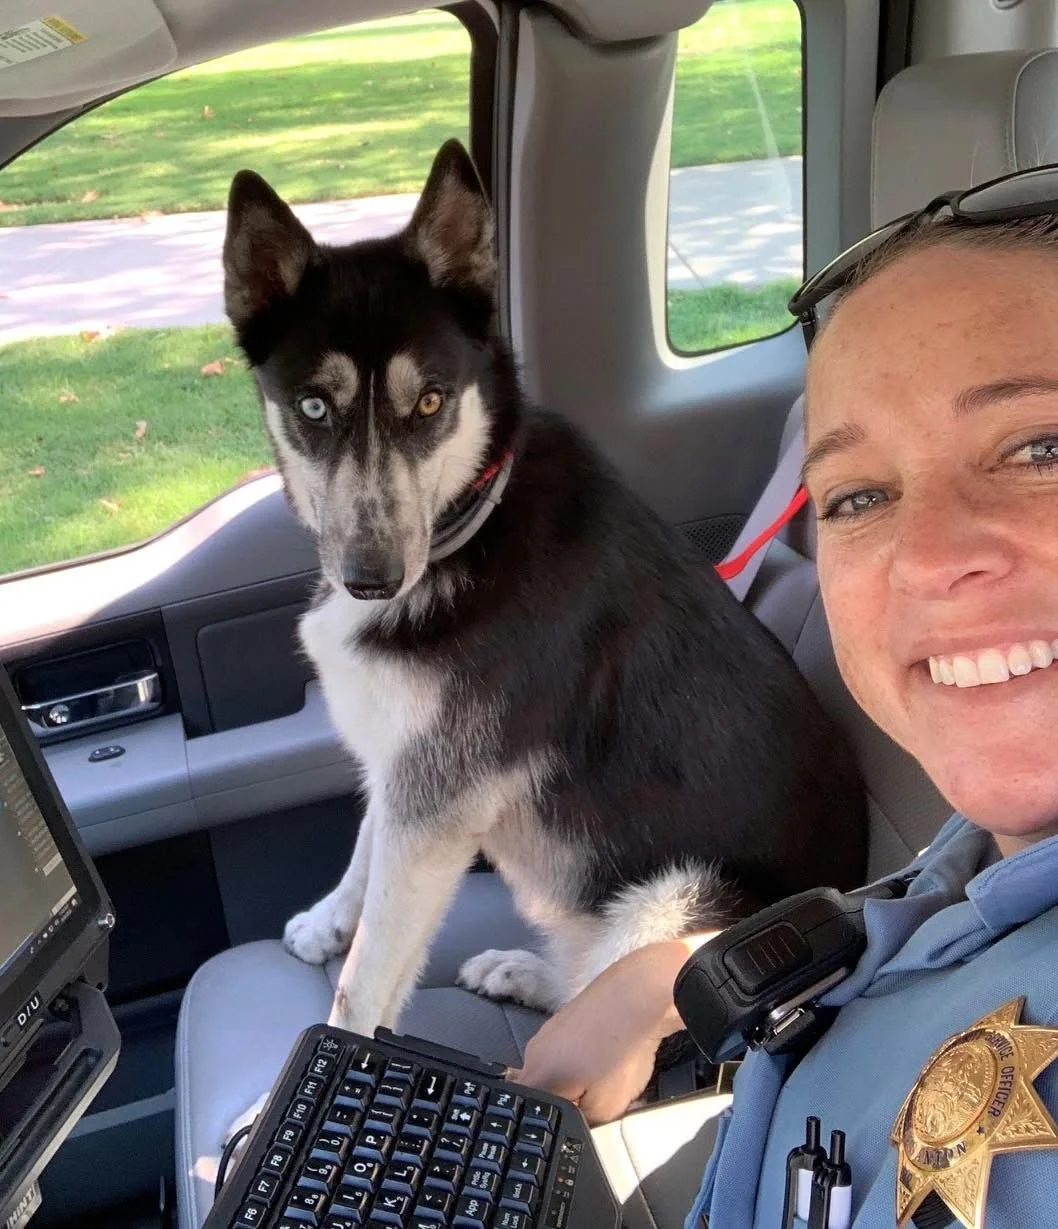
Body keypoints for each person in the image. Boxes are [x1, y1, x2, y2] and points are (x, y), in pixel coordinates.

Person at [511, 165, 1058, 1227]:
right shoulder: (987, 849)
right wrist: (671, 980)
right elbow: (926, 920)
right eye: (858, 496)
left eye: (1041, 447)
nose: (927, 556)